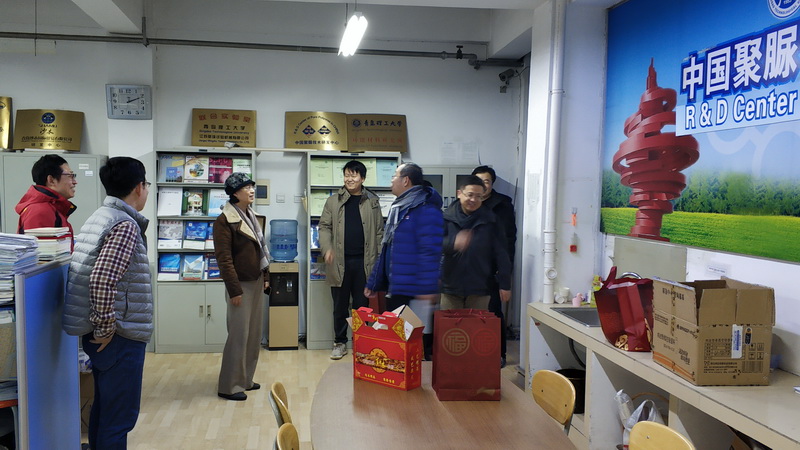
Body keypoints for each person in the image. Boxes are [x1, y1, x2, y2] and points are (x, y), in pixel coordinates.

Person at [62, 157, 152, 449]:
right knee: (119, 418)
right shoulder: (124, 224)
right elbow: (101, 279)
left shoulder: (102, 214)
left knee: (105, 410)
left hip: (108, 334)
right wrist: (105, 327)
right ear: (138, 187)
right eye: (146, 185)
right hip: (119, 335)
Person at [364, 163, 443, 357]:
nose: (391, 180)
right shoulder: (399, 208)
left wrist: (427, 288)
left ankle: (421, 375)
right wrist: (374, 282)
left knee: (417, 345)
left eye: (394, 176)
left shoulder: (425, 209)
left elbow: (430, 251)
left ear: (406, 180)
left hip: (416, 291)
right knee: (400, 343)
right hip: (397, 287)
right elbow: (387, 248)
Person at [319, 160, 384, 360]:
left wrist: (379, 260)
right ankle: (340, 342)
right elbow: (324, 227)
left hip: (364, 263)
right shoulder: (333, 201)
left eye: (354, 175)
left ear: (362, 178)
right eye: (347, 175)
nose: (349, 179)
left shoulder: (372, 201)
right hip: (339, 262)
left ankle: (361, 342)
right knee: (339, 306)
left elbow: (379, 232)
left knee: (361, 306)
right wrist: (327, 249)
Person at [213, 172, 270, 401]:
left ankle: (245, 379)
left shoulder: (251, 215)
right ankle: (229, 385)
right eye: (247, 187)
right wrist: (234, 289)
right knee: (238, 335)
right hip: (240, 285)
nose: (252, 190)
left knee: (253, 335)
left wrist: (266, 276)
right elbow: (224, 259)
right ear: (235, 193)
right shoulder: (224, 220)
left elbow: (260, 250)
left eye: (252, 186)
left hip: (255, 280)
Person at [440, 175, 512, 312]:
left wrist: (505, 285)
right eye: (470, 195)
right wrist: (453, 243)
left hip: (480, 287)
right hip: (450, 287)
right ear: (459, 193)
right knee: (450, 325)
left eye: (479, 196)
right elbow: (431, 245)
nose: (473, 200)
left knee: (476, 324)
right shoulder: (446, 218)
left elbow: (502, 254)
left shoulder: (491, 221)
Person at [472, 165, 517, 367]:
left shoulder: (502, 205)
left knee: (493, 312)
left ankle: (499, 353)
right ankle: (474, 353)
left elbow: (509, 240)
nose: (482, 185)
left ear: (492, 184)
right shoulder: (468, 202)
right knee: (471, 314)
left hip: (492, 269)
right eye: (478, 181)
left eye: (486, 181)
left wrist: (505, 271)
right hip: (470, 269)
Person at [15, 154, 78, 248]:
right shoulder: (40, 211)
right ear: (51, 180)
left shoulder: (51, 207)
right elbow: (42, 254)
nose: (75, 182)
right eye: (70, 176)